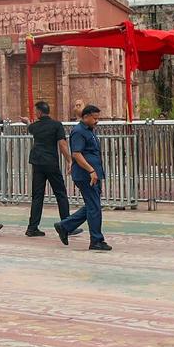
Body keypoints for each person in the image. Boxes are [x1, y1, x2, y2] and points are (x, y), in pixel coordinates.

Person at [55, 104, 112, 251]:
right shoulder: (79, 132)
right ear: (85, 117)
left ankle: (64, 226)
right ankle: (96, 240)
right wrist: (91, 170)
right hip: (86, 175)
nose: (97, 121)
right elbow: (77, 154)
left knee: (93, 206)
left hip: (93, 174)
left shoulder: (90, 130)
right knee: (94, 207)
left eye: (98, 118)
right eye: (94, 118)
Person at [25, 100, 71, 237]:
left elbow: (30, 127)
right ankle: (67, 225)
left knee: (37, 196)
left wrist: (27, 121)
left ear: (39, 112)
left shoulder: (35, 127)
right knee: (61, 194)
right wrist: (69, 160)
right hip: (51, 163)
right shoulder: (56, 125)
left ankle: (32, 228)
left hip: (37, 163)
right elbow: (62, 144)